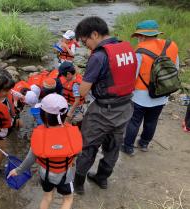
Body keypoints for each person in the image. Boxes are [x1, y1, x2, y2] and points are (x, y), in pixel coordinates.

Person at [72, 17, 137, 194]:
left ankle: (78, 185)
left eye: (86, 42)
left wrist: (78, 89)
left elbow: (84, 90)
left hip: (102, 111)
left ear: (95, 34)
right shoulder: (127, 48)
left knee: (88, 146)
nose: (87, 47)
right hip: (125, 108)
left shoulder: (100, 56)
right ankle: (102, 178)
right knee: (113, 146)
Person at [8, 93, 82, 209]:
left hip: (45, 174)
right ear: (64, 114)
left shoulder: (39, 135)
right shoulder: (73, 134)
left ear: (43, 115)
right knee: (68, 199)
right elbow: (78, 151)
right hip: (65, 175)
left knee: (47, 197)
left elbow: (30, 159)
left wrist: (18, 171)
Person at [121, 20, 179, 156]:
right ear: (156, 33)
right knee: (152, 121)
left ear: (142, 36)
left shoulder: (139, 51)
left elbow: (133, 76)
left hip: (140, 96)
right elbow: (175, 69)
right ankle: (144, 143)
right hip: (162, 93)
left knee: (134, 121)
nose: (138, 39)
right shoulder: (171, 45)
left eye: (138, 36)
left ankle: (128, 147)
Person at [58, 61, 84, 126]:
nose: (63, 78)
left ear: (68, 74)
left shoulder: (75, 85)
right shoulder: (74, 75)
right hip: (69, 104)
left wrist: (70, 112)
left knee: (66, 122)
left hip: (75, 107)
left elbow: (77, 101)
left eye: (64, 76)